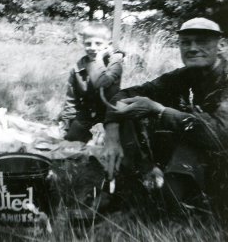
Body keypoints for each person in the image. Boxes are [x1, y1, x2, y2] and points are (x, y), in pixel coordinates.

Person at [103, 17, 228, 217]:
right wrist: (111, 130)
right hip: (197, 148)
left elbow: (219, 135)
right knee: (130, 111)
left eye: (202, 41)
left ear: (221, 45)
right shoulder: (185, 75)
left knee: (169, 205)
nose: (192, 48)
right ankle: (131, 182)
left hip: (220, 157)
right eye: (185, 42)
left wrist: (159, 110)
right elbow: (125, 94)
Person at [58, 23, 124, 143]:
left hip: (109, 114)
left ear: (108, 45)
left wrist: (98, 59)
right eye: (88, 43)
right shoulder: (78, 67)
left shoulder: (115, 63)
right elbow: (71, 99)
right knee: (70, 143)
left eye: (98, 43)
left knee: (107, 146)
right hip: (87, 113)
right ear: (83, 44)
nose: (92, 47)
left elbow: (103, 83)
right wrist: (67, 125)